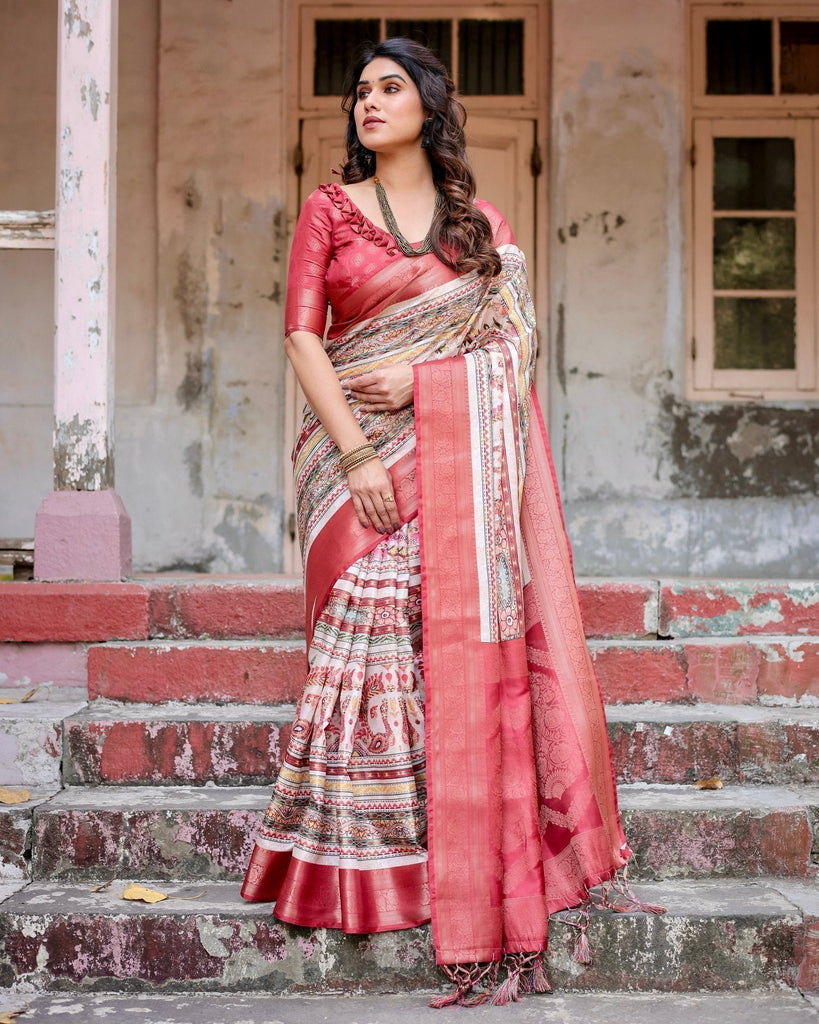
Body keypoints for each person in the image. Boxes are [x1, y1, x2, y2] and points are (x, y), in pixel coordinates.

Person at [242, 36, 654, 1006]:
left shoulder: (481, 230)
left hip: (457, 467)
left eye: (388, 87)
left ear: (429, 103)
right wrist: (352, 449)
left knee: (465, 670)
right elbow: (303, 333)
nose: (367, 103)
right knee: (370, 651)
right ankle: (369, 872)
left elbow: (513, 357)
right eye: (358, 92)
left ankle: (471, 881)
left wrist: (425, 385)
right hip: (352, 465)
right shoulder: (329, 211)